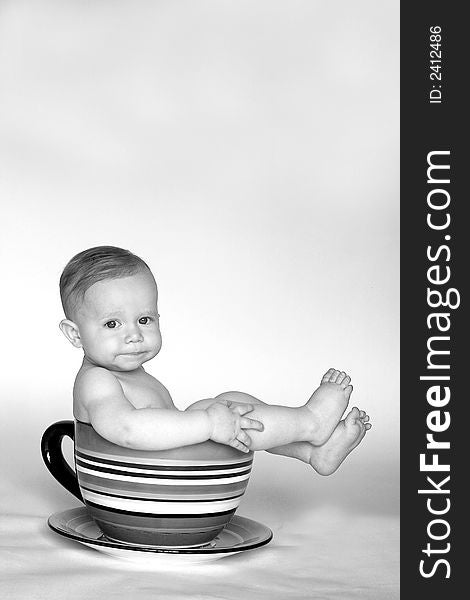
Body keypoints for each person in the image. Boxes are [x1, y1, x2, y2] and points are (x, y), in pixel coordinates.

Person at [59, 246, 371, 476]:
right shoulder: (97, 380)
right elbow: (126, 429)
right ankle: (311, 422)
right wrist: (208, 423)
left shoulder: (128, 375)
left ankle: (311, 451)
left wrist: (213, 419)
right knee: (220, 413)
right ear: (75, 335)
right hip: (154, 479)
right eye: (112, 324)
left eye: (144, 319)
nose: (134, 335)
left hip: (169, 469)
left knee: (230, 403)